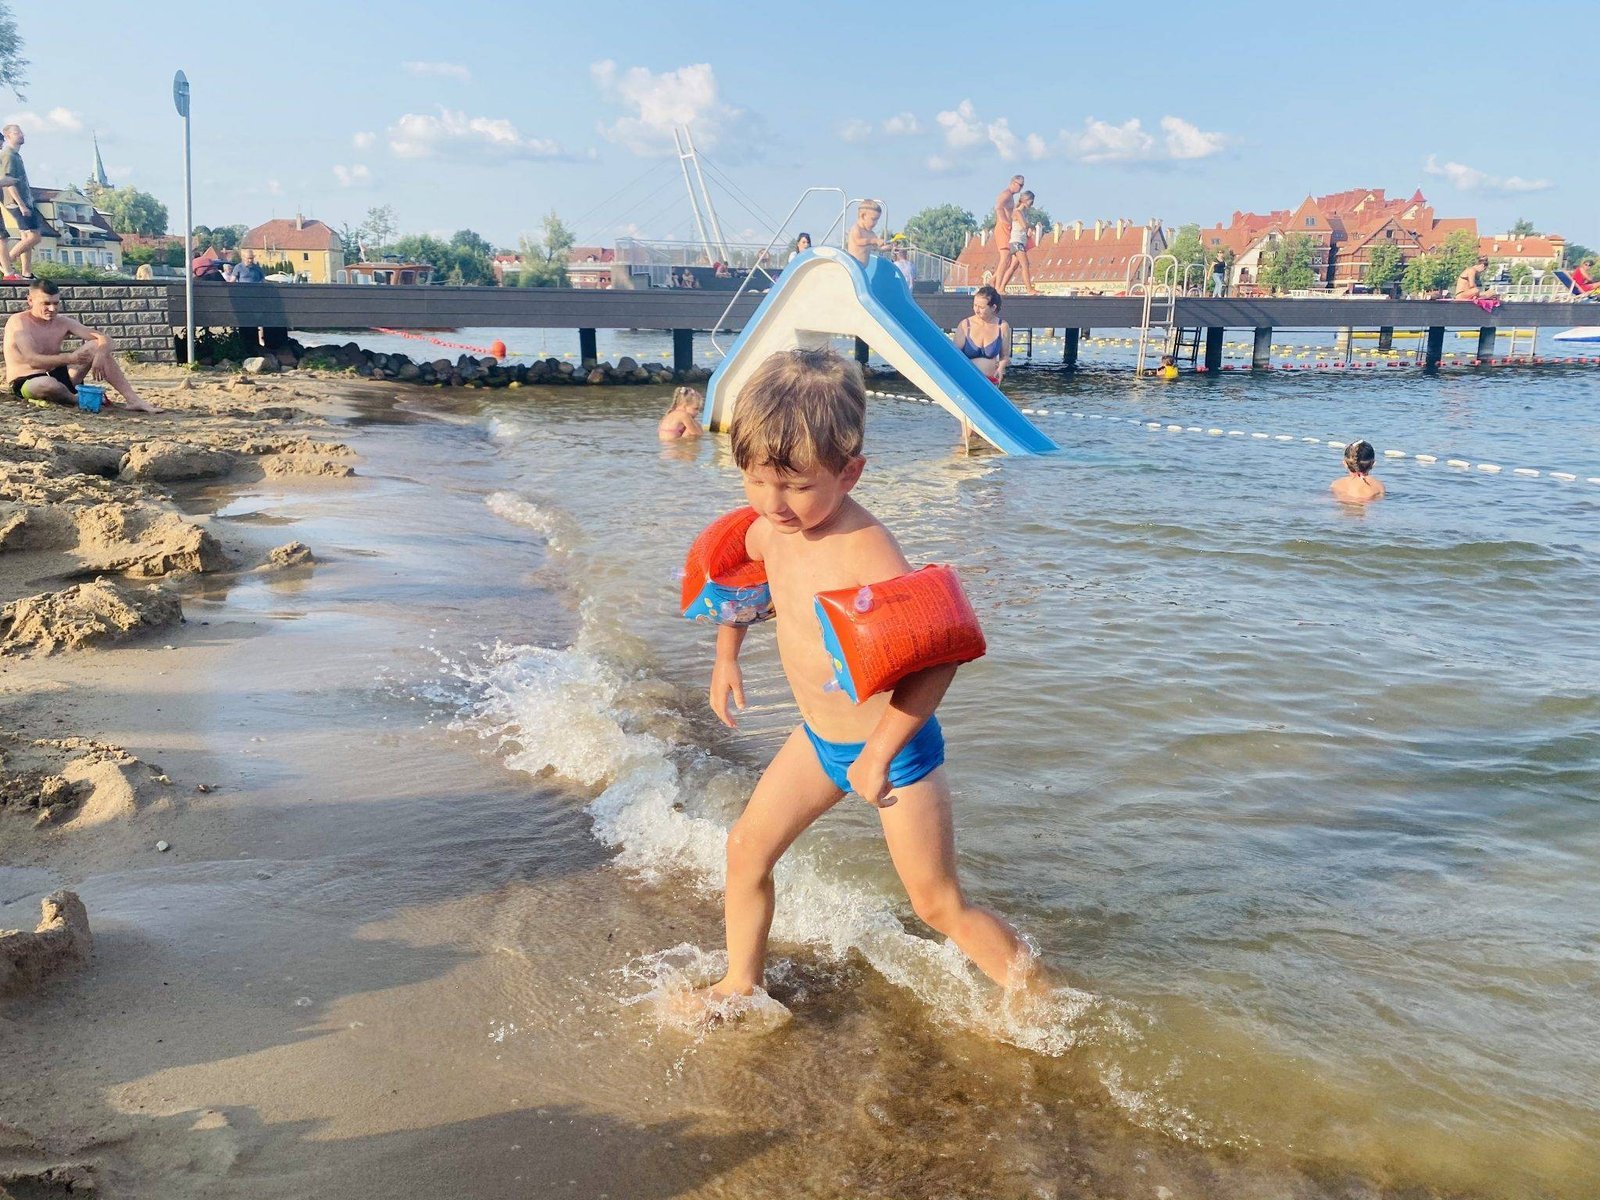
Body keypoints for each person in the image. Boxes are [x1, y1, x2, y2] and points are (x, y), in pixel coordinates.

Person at [690, 347, 1040, 1015]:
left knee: (937, 903)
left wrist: (879, 752)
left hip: (894, 751)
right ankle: (741, 982)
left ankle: (1039, 1000)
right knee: (745, 850)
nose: (774, 503)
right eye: (757, 481)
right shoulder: (769, 529)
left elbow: (940, 657)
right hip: (820, 741)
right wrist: (726, 653)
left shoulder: (866, 552)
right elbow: (740, 581)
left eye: (795, 486)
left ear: (851, 473)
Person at [4, 278, 161, 413]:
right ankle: (78, 399)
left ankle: (133, 400)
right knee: (47, 384)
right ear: (30, 301)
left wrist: (100, 354)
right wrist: (70, 358)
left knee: (95, 345)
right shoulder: (19, 322)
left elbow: (104, 338)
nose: (52, 309)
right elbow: (32, 360)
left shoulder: (62, 321)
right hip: (26, 381)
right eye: (46, 303)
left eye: (56, 303)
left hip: (59, 377)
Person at [0, 124, 43, 280]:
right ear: (8, 136)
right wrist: (22, 205)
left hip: (25, 200)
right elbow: (8, 181)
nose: (22, 135)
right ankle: (7, 262)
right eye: (17, 133)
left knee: (27, 238)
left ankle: (26, 272)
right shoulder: (8, 155)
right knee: (35, 236)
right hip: (16, 202)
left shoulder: (16, 155)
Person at [951, 285, 1010, 383]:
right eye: (975, 305)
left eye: (981, 307)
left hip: (989, 382)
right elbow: (954, 355)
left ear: (993, 307)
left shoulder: (1002, 326)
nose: (976, 310)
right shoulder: (965, 325)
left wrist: (1000, 369)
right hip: (966, 379)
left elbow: (1004, 356)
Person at [995, 190, 1038, 294]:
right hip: (1016, 242)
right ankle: (1029, 289)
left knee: (1013, 266)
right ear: (1026, 200)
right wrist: (1031, 227)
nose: (1031, 205)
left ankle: (1001, 288)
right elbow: (1024, 225)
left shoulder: (1023, 213)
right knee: (1025, 264)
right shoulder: (1017, 212)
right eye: (1031, 202)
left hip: (1020, 242)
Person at [993, 174, 1024, 287]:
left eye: (1022, 186)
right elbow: (998, 207)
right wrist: (1005, 222)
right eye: (1020, 185)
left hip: (1006, 228)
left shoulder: (1010, 196)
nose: (1021, 188)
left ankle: (993, 280)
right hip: (1003, 228)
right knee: (1005, 257)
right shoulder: (1005, 194)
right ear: (1013, 183)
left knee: (1009, 259)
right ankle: (998, 286)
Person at [845, 201, 885, 266]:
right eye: (873, 219)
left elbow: (877, 248)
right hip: (853, 266)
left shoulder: (872, 234)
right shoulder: (856, 229)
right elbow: (858, 241)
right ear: (863, 216)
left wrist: (886, 247)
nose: (876, 223)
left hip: (863, 268)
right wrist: (874, 240)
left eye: (877, 220)